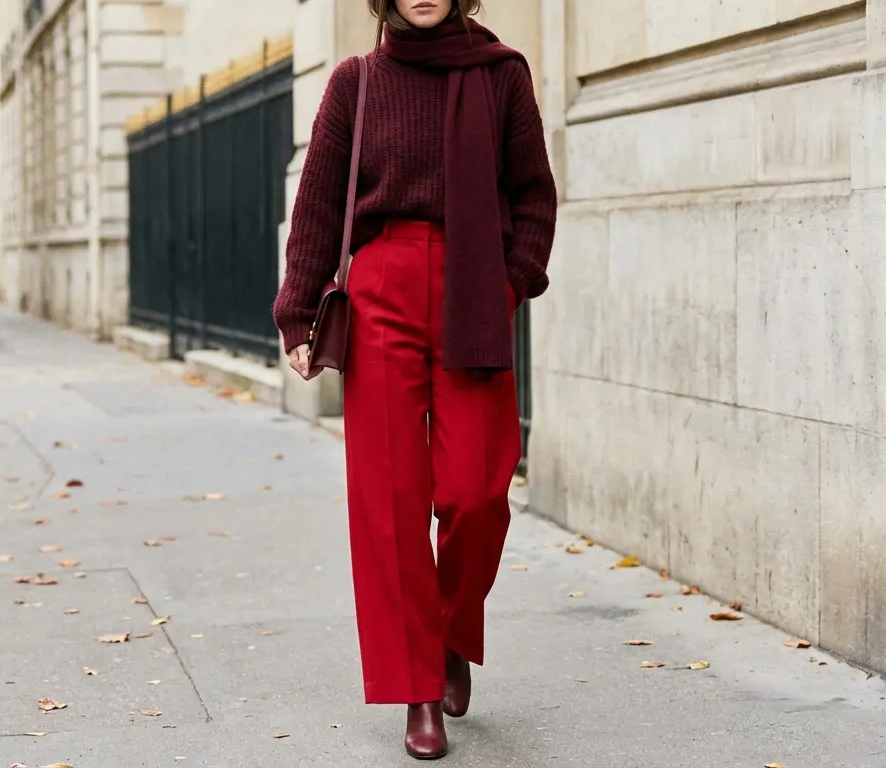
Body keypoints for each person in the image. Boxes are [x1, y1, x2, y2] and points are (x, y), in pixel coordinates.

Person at [272, 0, 557, 759]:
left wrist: (513, 279)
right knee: (390, 502)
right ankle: (418, 689)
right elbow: (319, 204)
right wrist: (297, 312)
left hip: (474, 291)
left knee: (476, 491)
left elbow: (533, 191)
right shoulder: (356, 83)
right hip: (383, 291)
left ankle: (454, 632)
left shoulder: (501, 75)